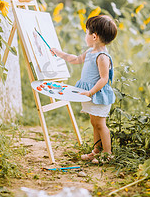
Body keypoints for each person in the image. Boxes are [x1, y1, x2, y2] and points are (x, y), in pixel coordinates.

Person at [50, 15, 117, 164]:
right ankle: (96, 151)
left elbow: (104, 79)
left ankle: (107, 154)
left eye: (86, 32)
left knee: (101, 124)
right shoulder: (90, 52)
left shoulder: (102, 57)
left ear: (94, 36)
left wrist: (90, 92)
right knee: (94, 123)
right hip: (90, 95)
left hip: (98, 95)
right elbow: (76, 60)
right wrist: (59, 53)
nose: (85, 35)